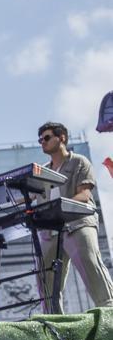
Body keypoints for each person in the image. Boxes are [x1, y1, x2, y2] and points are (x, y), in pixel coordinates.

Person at [36, 122, 113, 312]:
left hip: (77, 224)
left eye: (46, 138)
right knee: (45, 277)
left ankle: (109, 311)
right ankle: (54, 322)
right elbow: (30, 197)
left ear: (61, 137)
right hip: (51, 230)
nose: (42, 142)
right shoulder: (43, 171)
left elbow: (84, 195)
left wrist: (59, 207)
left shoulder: (79, 162)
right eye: (40, 140)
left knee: (90, 265)